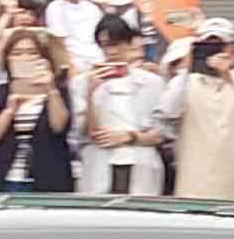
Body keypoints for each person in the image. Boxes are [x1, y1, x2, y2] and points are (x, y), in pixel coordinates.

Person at [157, 17, 234, 201]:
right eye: (207, 46)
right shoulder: (183, 83)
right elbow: (168, 110)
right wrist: (188, 68)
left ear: (233, 48)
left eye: (220, 45)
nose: (214, 52)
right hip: (195, 187)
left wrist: (227, 75)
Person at [70, 16, 165, 196]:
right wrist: (90, 93)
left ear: (129, 43)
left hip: (141, 162)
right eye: (105, 45)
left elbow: (160, 134)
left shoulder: (152, 82)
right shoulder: (82, 82)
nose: (111, 51)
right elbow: (84, 133)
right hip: (99, 162)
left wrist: (129, 136)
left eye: (116, 44)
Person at [0, 28, 74, 192]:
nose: (25, 58)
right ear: (8, 59)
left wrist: (50, 88)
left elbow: (59, 126)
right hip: (5, 179)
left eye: (32, 52)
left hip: (48, 180)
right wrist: (9, 111)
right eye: (17, 53)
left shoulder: (58, 91)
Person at [43, 0, 104, 72]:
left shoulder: (93, 8)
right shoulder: (55, 7)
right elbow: (58, 44)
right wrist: (70, 72)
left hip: (99, 64)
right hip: (75, 67)